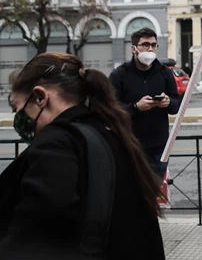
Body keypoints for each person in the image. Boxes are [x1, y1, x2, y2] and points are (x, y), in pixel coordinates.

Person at [0, 53, 164, 259]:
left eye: (18, 109)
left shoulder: (57, 142)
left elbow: (34, 235)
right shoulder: (111, 134)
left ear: (40, 97)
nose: (19, 120)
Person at [109, 27, 181, 180]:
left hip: (159, 148)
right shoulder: (120, 74)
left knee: (153, 193)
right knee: (131, 194)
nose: (150, 49)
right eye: (145, 45)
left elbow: (176, 105)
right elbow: (110, 110)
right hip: (130, 146)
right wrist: (136, 107)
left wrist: (168, 103)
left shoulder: (164, 72)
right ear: (134, 48)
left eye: (153, 45)